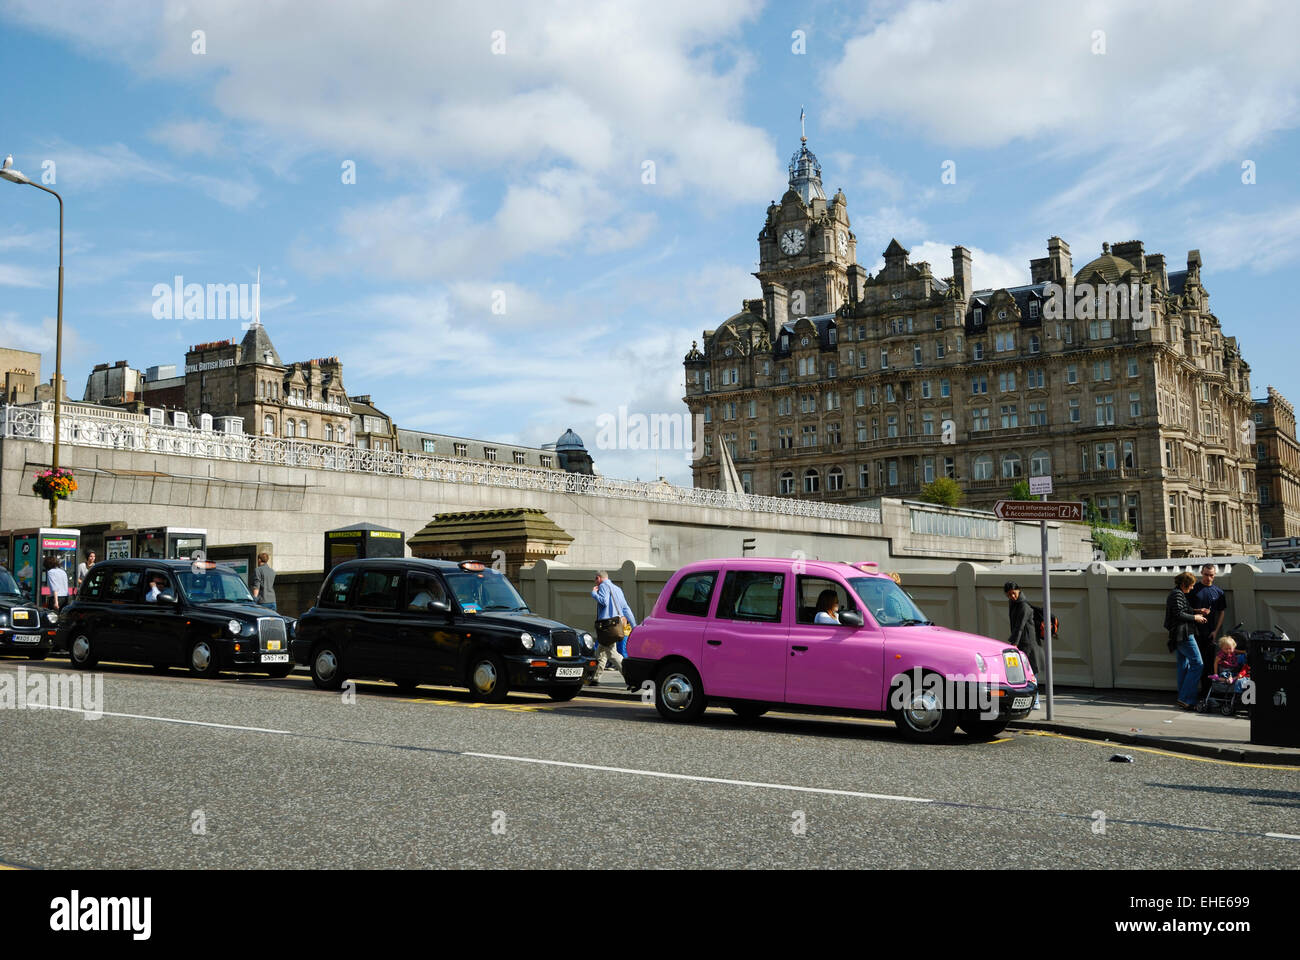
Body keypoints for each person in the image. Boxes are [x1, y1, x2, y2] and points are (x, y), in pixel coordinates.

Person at [1165, 571, 1207, 709]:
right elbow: (1178, 614)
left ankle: (1183, 698)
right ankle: (1185, 698)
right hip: (1183, 634)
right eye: (1191, 585)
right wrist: (1196, 617)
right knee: (1197, 664)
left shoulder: (1178, 593)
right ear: (1184, 584)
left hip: (1178, 635)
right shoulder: (1177, 594)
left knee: (1183, 665)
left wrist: (1198, 611)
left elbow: (1183, 609)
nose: (1193, 587)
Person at [591, 570, 636, 684]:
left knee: (611, 653)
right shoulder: (617, 589)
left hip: (606, 626)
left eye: (595, 579)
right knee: (600, 652)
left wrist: (594, 594)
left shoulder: (603, 586)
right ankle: (595, 677)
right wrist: (634, 625)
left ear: (599, 578)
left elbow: (604, 601)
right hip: (616, 625)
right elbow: (626, 608)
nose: (595, 582)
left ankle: (630, 676)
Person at [1189, 563, 1226, 695]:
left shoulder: (1219, 592)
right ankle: (1191, 692)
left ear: (1214, 575)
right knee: (1194, 663)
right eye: (1206, 575)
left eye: (1211, 575)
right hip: (1194, 631)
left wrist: (1216, 630)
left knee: (1209, 664)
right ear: (1201, 573)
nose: (1208, 578)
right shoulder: (1193, 589)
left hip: (1209, 633)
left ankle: (1207, 693)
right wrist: (1198, 611)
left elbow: (1222, 612)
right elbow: (1185, 609)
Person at [1003, 580, 1041, 676]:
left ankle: (1033, 686)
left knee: (1030, 670)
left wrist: (1014, 643)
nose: (1012, 596)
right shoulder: (1013, 603)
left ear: (1018, 590)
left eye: (1013, 593)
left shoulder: (1023, 606)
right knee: (1022, 671)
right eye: (1009, 595)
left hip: (1028, 643)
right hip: (1020, 641)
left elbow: (1019, 626)